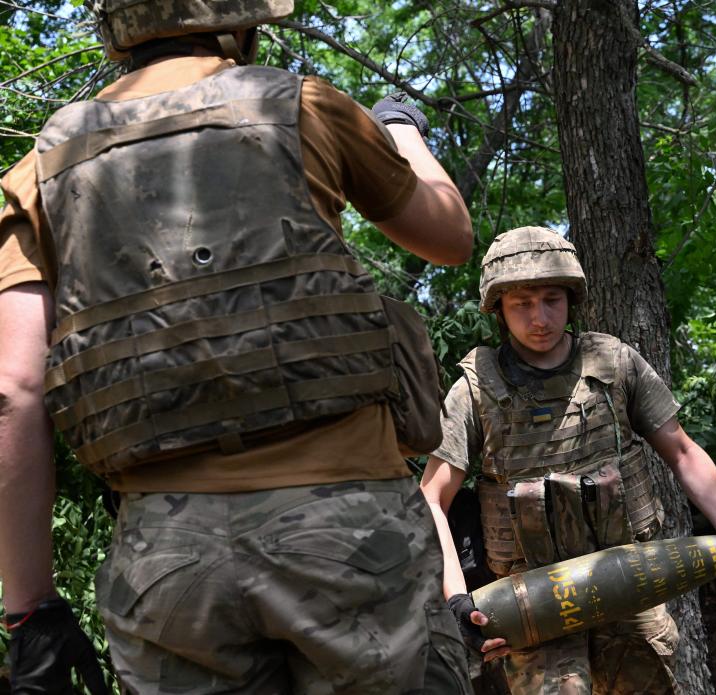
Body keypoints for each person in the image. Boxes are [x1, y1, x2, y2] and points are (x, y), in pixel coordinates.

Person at [0, 1, 475, 692]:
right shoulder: (305, 106)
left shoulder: (36, 171)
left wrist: (30, 613)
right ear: (243, 21)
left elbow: (13, 392)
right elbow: (449, 236)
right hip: (350, 536)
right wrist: (400, 133)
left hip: (168, 562)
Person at [420, 226, 716, 695]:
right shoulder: (475, 389)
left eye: (552, 299)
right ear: (499, 309)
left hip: (630, 586)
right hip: (532, 605)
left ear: (571, 299)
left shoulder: (614, 364)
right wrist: (456, 598)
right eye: (522, 304)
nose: (540, 317)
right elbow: (432, 496)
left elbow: (682, 450)